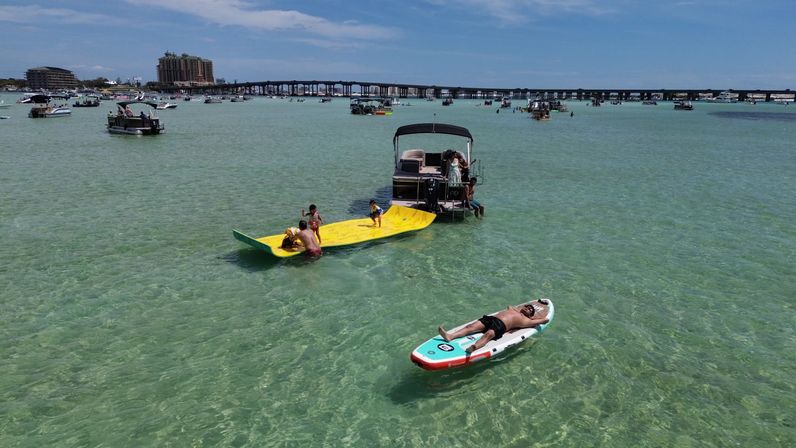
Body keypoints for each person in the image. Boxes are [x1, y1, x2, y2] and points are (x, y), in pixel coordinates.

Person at [438, 299, 550, 354]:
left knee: (489, 334)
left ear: (531, 315)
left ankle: (474, 347)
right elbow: (509, 305)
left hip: (501, 325)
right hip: (491, 319)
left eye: (531, 310)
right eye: (528, 307)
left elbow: (545, 320)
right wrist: (537, 302)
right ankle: (450, 336)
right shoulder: (513, 309)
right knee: (470, 327)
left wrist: (537, 313)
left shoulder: (525, 320)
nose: (529, 308)